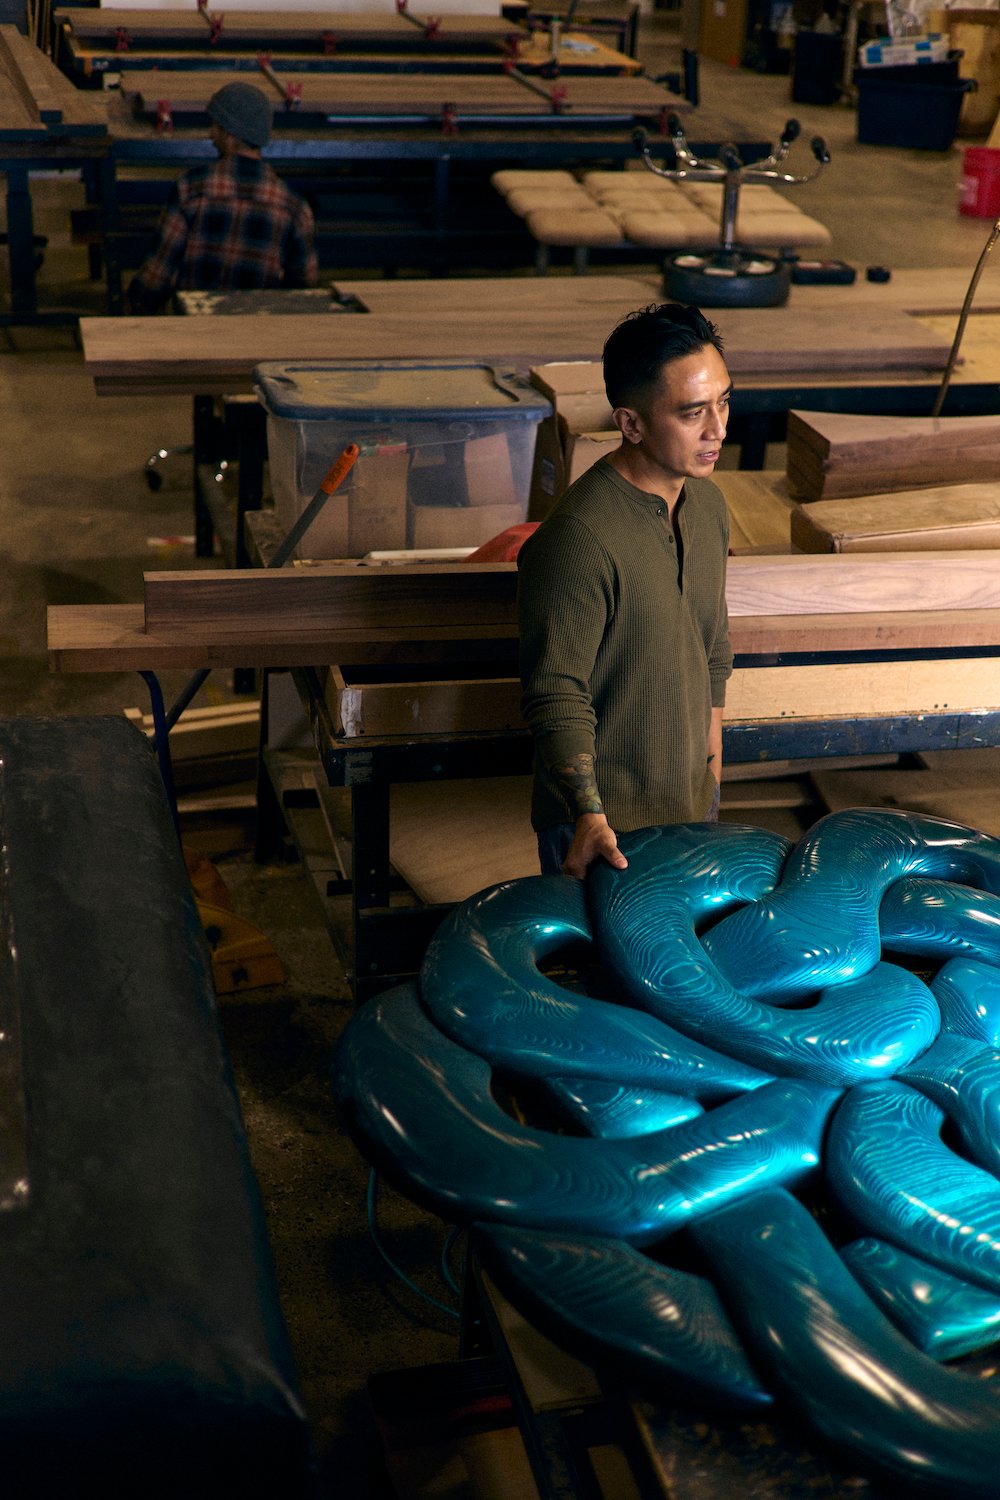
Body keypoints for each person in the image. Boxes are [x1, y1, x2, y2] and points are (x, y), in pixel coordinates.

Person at [517, 302, 733, 879]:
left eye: (724, 401)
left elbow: (712, 654)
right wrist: (589, 817)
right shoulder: (579, 538)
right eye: (692, 413)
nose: (717, 429)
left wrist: (709, 781)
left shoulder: (707, 505)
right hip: (605, 834)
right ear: (631, 424)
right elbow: (555, 692)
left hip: (689, 812)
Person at [125, 82, 318, 314]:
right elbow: (304, 289)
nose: (211, 134)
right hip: (258, 340)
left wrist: (133, 311)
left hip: (194, 339)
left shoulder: (191, 189)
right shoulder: (294, 206)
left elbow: (156, 277)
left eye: (215, 126)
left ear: (230, 133)